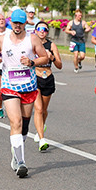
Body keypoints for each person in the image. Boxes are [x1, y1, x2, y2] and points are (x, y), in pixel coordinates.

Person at [0, 9, 49, 178]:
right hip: (9, 86)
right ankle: (21, 162)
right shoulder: (2, 39)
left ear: (25, 24)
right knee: (16, 121)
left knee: (25, 126)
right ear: (11, 22)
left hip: (28, 86)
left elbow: (45, 58)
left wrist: (32, 62)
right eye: (15, 23)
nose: (17, 26)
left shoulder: (32, 39)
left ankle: (16, 154)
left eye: (21, 23)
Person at [32, 21, 62, 151]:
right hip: (35, 78)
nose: (42, 31)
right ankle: (42, 139)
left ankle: (41, 126)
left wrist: (52, 58)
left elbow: (60, 65)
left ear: (47, 32)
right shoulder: (31, 44)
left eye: (45, 29)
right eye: (40, 29)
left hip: (48, 78)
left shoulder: (51, 45)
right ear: (36, 31)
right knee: (38, 109)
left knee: (44, 110)